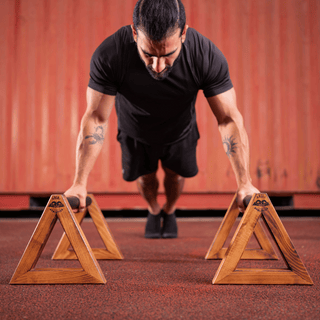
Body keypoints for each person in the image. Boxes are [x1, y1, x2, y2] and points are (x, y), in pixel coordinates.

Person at [64, 0, 259, 239]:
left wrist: (245, 182)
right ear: (135, 33)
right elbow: (95, 118)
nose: (157, 66)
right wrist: (79, 182)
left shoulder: (205, 55)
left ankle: (170, 210)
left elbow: (228, 119)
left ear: (184, 33)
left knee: (175, 176)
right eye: (148, 54)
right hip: (134, 129)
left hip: (180, 129)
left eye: (168, 55)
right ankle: (154, 210)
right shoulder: (111, 54)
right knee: (146, 178)